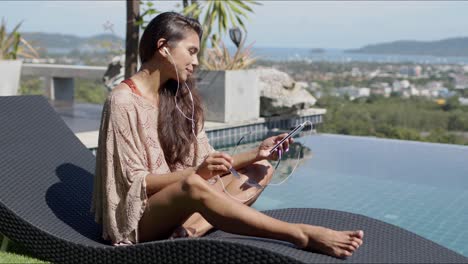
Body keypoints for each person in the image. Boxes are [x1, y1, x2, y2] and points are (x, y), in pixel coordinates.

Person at [92, 11, 363, 258]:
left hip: (183, 207)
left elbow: (208, 162)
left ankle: (188, 232)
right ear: (163, 48)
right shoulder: (123, 101)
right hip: (141, 218)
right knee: (194, 185)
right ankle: (300, 234)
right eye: (191, 51)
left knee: (260, 170)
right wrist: (197, 173)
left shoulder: (181, 99)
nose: (196, 62)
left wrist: (257, 153)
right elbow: (136, 182)